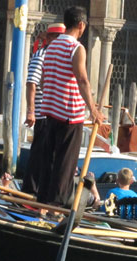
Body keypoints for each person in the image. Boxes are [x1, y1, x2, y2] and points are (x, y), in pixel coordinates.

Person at [37, 6, 105, 206]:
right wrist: (93, 109)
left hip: (50, 111)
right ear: (81, 25)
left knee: (49, 159)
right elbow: (82, 79)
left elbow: (43, 81)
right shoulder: (76, 48)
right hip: (69, 114)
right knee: (65, 164)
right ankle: (55, 208)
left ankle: (43, 203)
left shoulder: (51, 47)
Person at [22, 23, 66, 195]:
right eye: (59, 38)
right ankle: (30, 190)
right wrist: (31, 111)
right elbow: (31, 83)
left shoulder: (57, 56)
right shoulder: (41, 56)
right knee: (39, 154)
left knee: (50, 156)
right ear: (50, 39)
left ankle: (42, 190)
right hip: (42, 113)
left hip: (54, 113)